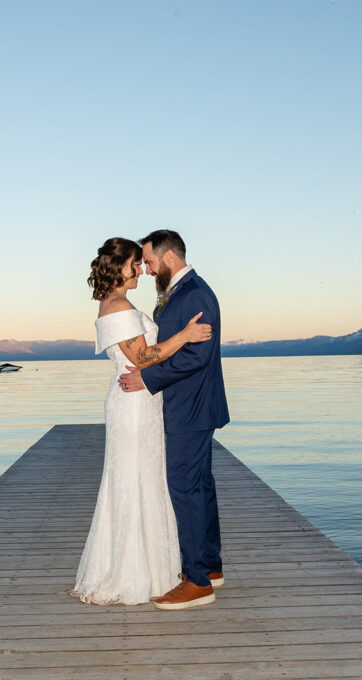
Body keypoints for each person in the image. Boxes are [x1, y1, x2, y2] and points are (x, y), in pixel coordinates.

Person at [72, 237, 212, 605]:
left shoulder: (120, 304)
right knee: (135, 479)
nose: (141, 270)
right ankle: (134, 572)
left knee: (148, 479)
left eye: (143, 262)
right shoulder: (116, 307)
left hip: (142, 400)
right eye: (136, 264)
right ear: (121, 268)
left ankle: (159, 569)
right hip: (134, 403)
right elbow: (146, 356)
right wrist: (185, 335)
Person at [119, 229, 230, 610]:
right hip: (195, 405)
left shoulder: (194, 294)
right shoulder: (184, 292)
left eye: (148, 262)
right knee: (200, 486)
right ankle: (211, 566)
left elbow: (195, 357)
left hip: (190, 406)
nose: (147, 271)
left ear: (168, 259)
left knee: (185, 489)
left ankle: (197, 581)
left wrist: (146, 378)